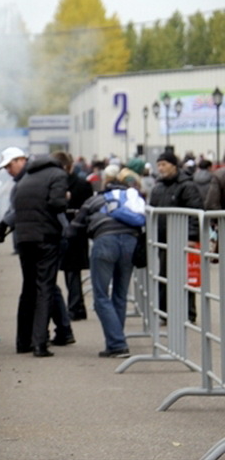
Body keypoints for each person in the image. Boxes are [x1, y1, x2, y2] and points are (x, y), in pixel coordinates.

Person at [69, 166, 145, 358]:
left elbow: (73, 229)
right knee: (120, 295)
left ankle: (117, 343)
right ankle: (114, 342)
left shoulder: (95, 200)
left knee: (101, 297)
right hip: (130, 243)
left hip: (105, 242)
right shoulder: (130, 199)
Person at [11, 151, 69, 357]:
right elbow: (56, 204)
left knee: (28, 288)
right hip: (45, 237)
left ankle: (22, 342)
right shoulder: (57, 175)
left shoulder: (26, 177)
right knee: (45, 287)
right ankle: (40, 344)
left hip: (24, 239)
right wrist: (66, 198)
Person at [149, 151, 203, 323]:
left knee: (184, 276)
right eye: (159, 165)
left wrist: (192, 236)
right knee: (164, 276)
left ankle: (188, 313)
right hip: (163, 239)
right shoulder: (158, 187)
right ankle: (165, 313)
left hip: (181, 239)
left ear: (173, 165)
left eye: (164, 164)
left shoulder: (187, 186)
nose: (161, 168)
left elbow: (195, 211)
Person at [56, 151, 93, 322]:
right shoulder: (83, 184)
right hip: (76, 232)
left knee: (71, 272)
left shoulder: (72, 185)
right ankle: (77, 307)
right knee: (72, 273)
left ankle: (75, 307)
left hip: (72, 232)